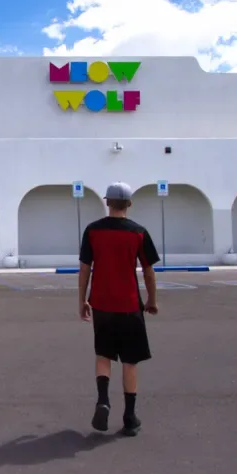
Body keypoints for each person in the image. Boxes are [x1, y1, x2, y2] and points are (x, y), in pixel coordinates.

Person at [77, 182, 160, 437]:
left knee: (104, 355)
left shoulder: (92, 231)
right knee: (130, 361)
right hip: (129, 305)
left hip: (102, 304)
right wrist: (152, 301)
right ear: (129, 204)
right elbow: (148, 271)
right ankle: (130, 416)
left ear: (107, 202)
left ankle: (103, 400)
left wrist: (82, 300)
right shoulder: (139, 233)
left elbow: (85, 269)